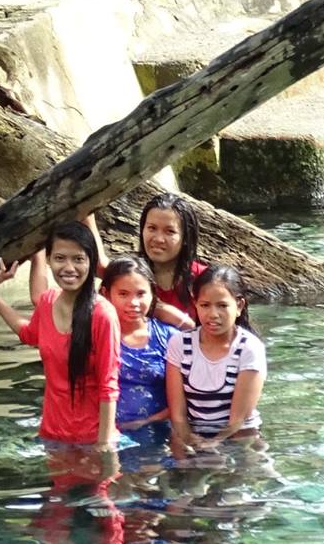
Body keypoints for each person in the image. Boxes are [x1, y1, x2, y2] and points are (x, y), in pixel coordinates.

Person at [0, 221, 120, 452]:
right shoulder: (47, 302)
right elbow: (28, 334)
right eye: (60, 258)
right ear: (48, 260)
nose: (68, 267)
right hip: (52, 435)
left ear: (91, 261)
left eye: (78, 259)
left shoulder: (103, 315)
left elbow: (109, 386)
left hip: (92, 439)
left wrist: (104, 447)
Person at [166, 263, 266, 457]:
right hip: (192, 433)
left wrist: (214, 443)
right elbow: (178, 414)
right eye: (205, 305)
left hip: (239, 434)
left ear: (239, 306)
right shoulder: (180, 344)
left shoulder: (249, 348)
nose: (213, 314)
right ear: (195, 304)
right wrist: (188, 438)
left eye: (222, 306)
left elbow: (238, 419)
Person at [101, 256, 173, 445]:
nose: (133, 303)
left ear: (152, 294)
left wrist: (147, 422)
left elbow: (187, 397)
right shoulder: (96, 336)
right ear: (106, 294)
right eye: (123, 294)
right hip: (106, 433)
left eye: (141, 294)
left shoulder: (169, 337)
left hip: (158, 433)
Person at [136, 192, 208, 329]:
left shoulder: (204, 279)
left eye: (169, 231)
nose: (158, 239)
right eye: (152, 228)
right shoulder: (130, 276)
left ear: (186, 238)